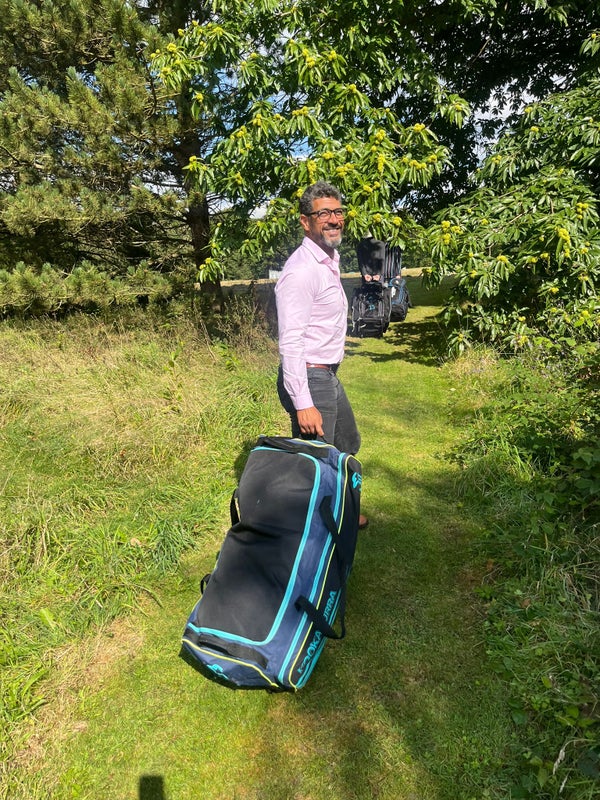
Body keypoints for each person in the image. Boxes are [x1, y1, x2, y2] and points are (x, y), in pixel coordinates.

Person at [275, 181, 368, 528]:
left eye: (338, 212)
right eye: (323, 213)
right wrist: (303, 403)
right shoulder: (301, 271)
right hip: (311, 377)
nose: (334, 219)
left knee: (346, 442)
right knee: (316, 462)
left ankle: (342, 510)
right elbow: (291, 341)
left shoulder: (327, 259)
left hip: (326, 374)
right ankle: (313, 534)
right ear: (305, 222)